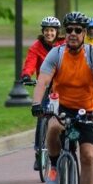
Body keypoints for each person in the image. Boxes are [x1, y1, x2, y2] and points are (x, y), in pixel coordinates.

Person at [32, 12, 93, 184]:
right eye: (70, 30)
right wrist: (37, 104)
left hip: (90, 109)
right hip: (63, 105)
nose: (73, 34)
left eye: (78, 30)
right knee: (53, 126)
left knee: (87, 155)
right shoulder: (56, 53)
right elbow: (43, 80)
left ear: (85, 33)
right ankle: (55, 166)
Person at [20, 16, 64, 171]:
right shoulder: (36, 46)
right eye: (46, 30)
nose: (49, 33)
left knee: (65, 115)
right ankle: (39, 153)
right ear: (43, 32)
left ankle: (65, 146)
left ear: (57, 32)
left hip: (62, 86)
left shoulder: (63, 44)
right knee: (42, 115)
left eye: (52, 30)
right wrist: (26, 75)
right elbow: (30, 62)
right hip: (45, 85)